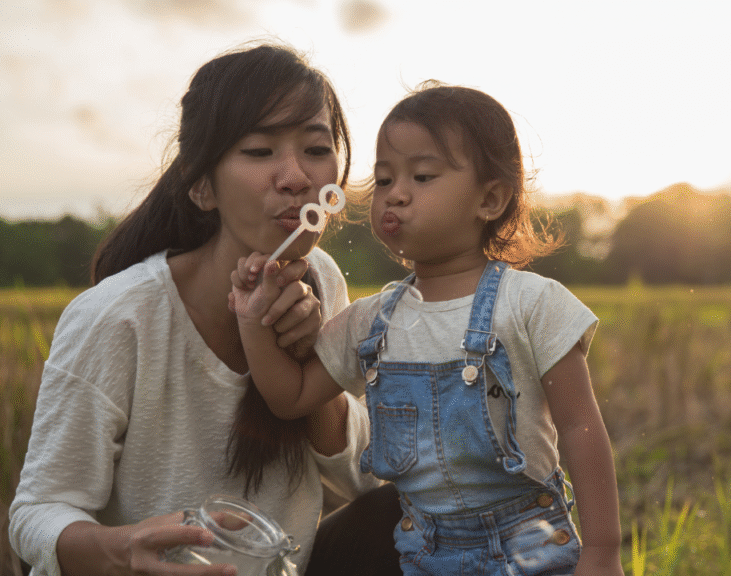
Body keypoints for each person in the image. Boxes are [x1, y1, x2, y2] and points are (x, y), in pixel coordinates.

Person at [9, 42, 402, 576]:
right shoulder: (119, 315)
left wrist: (310, 367)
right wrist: (126, 549)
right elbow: (37, 511)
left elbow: (358, 480)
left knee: (414, 511)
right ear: (201, 186)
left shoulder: (321, 279)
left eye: (315, 149)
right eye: (259, 152)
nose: (295, 177)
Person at [231, 83, 625, 576]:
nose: (395, 193)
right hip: (421, 553)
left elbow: (580, 427)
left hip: (530, 548)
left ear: (491, 199)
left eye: (421, 176)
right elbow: (290, 396)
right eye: (383, 179)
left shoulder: (531, 304)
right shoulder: (372, 320)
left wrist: (602, 552)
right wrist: (251, 319)